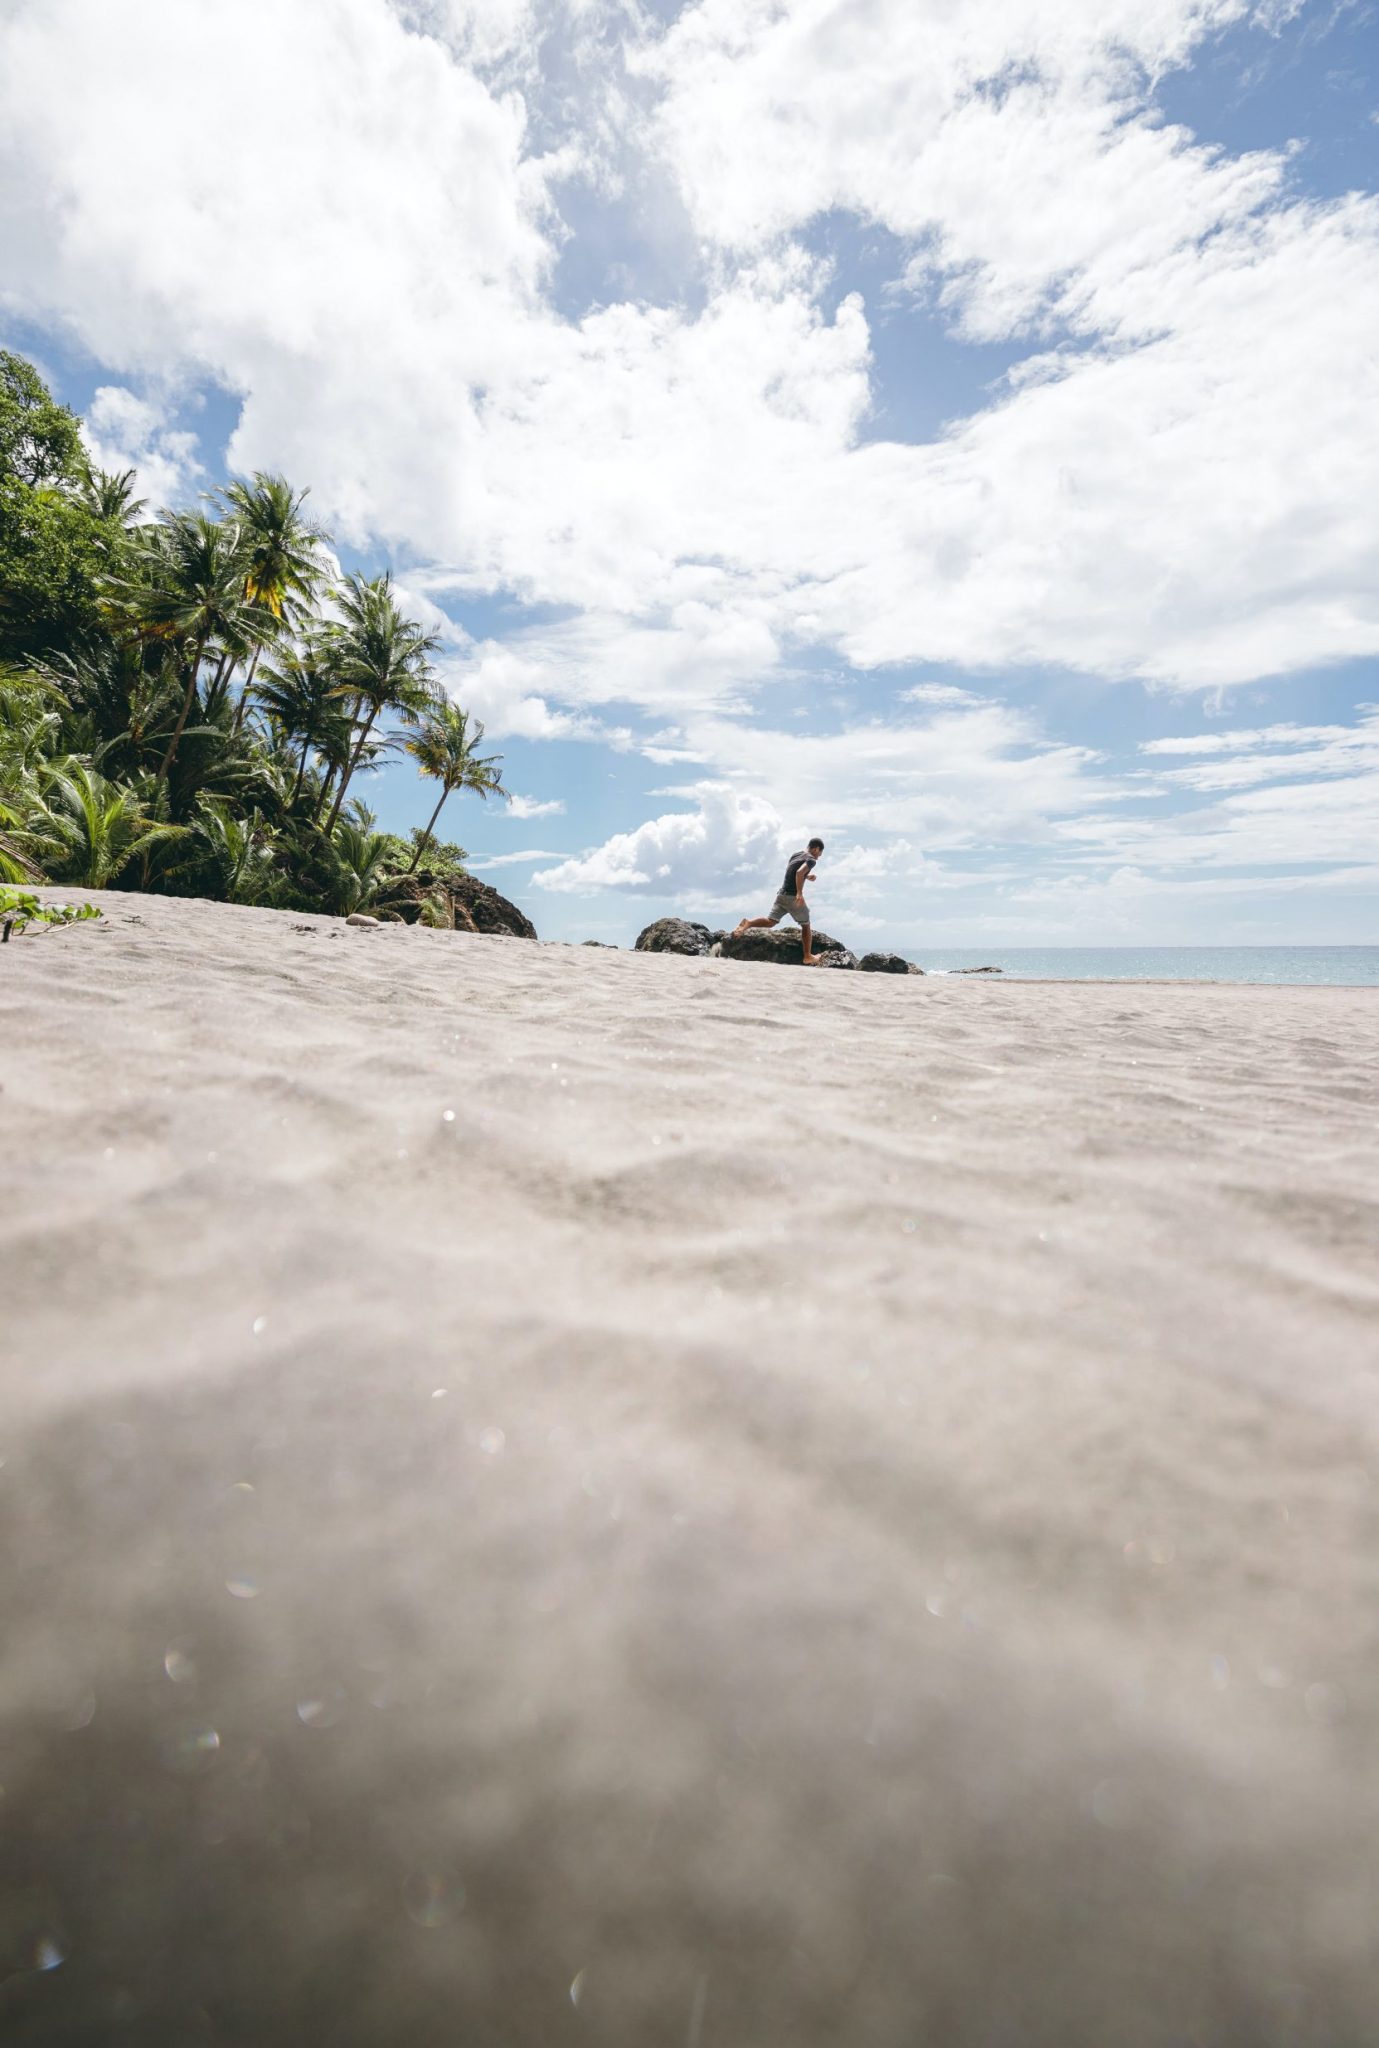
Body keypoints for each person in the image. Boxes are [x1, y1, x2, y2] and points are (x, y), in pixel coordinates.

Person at [733, 838, 825, 965]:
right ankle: (807, 956)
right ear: (816, 849)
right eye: (819, 854)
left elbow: (792, 872)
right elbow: (798, 873)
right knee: (806, 925)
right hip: (792, 897)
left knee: (771, 921)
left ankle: (748, 923)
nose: (818, 857)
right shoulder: (811, 859)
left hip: (781, 894)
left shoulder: (796, 855)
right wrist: (799, 893)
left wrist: (807, 876)